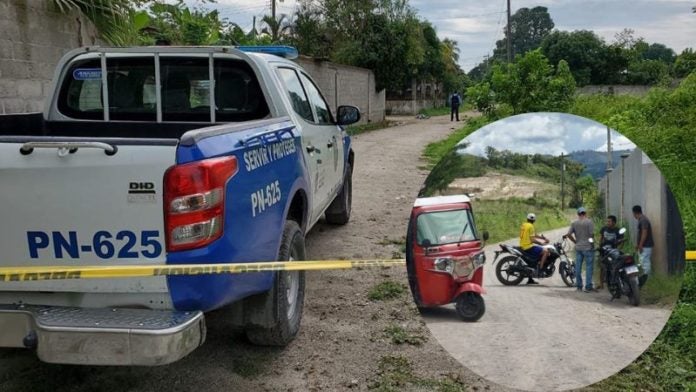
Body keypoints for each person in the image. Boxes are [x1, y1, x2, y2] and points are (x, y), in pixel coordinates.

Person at [565, 207, 596, 292]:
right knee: (589, 267)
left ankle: (579, 286)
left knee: (578, 267)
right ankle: (588, 286)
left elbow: (568, 234)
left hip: (578, 248)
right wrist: (592, 244)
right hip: (588, 247)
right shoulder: (589, 222)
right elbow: (591, 235)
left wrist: (575, 241)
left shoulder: (574, 223)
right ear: (585, 213)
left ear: (578, 214)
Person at [519, 212, 549, 285]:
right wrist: (541, 243)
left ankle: (530, 279)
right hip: (528, 247)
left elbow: (533, 234)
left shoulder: (524, 225)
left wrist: (542, 238)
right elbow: (532, 239)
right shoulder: (531, 226)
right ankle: (541, 270)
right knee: (546, 251)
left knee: (533, 259)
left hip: (522, 245)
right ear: (534, 220)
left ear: (527, 219)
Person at [598, 215, 625, 290]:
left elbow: (622, 241)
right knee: (602, 266)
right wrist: (600, 247)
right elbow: (600, 238)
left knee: (617, 265)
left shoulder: (618, 230)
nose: (608, 223)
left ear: (614, 222)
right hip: (604, 250)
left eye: (609, 221)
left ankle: (618, 281)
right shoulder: (604, 229)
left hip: (614, 251)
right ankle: (601, 284)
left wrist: (619, 249)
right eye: (607, 221)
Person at [633, 205, 654, 279]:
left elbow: (644, 233)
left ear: (635, 213)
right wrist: (638, 244)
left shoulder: (643, 220)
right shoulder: (642, 220)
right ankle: (645, 278)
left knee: (645, 263)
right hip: (644, 245)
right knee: (642, 262)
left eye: (633, 214)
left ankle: (647, 279)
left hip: (646, 246)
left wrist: (641, 245)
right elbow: (640, 234)